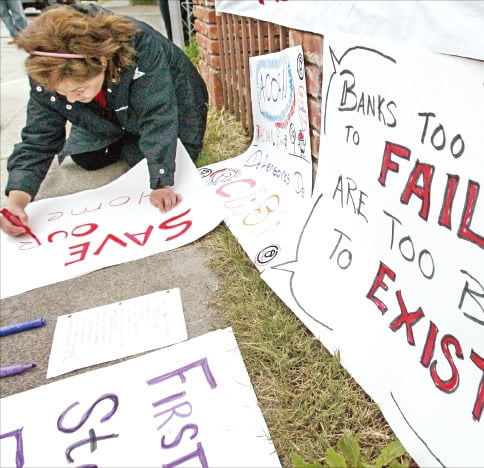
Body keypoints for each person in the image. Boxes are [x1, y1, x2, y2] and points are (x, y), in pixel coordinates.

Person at [1, 3, 208, 238]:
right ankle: (122, 131)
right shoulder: (46, 70)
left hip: (175, 100)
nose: (70, 99)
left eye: (78, 89)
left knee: (145, 162)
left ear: (100, 61)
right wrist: (16, 201)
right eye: (62, 93)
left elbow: (158, 114)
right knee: (86, 156)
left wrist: (161, 182)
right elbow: (39, 136)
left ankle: (130, 137)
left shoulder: (140, 44)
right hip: (112, 105)